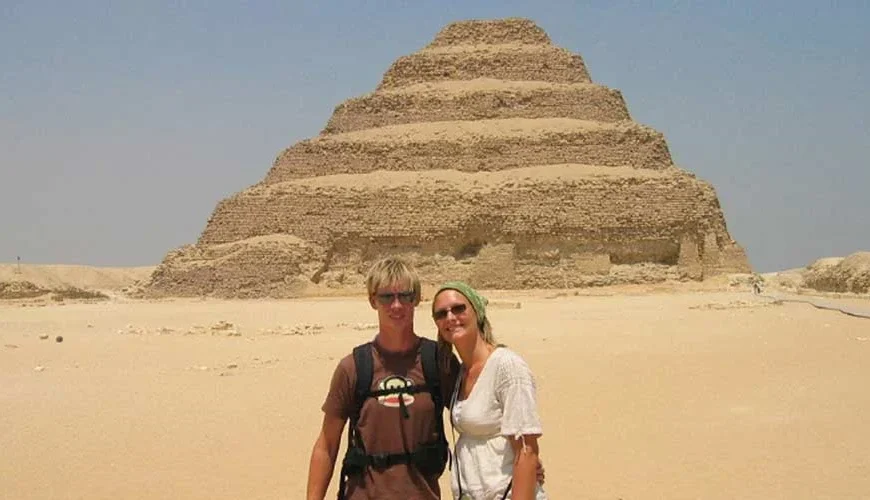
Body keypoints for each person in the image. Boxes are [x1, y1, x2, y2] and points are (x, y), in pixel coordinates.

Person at [306, 257, 459, 500]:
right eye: (387, 297)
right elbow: (327, 444)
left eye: (405, 296)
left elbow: (476, 420)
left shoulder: (439, 362)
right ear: (372, 300)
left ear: (416, 299)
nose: (396, 305)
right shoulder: (353, 367)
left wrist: (523, 457)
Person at [432, 281, 547, 500]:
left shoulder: (507, 367)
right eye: (441, 313)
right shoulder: (459, 373)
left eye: (459, 308)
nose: (450, 317)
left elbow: (527, 450)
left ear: (477, 312)